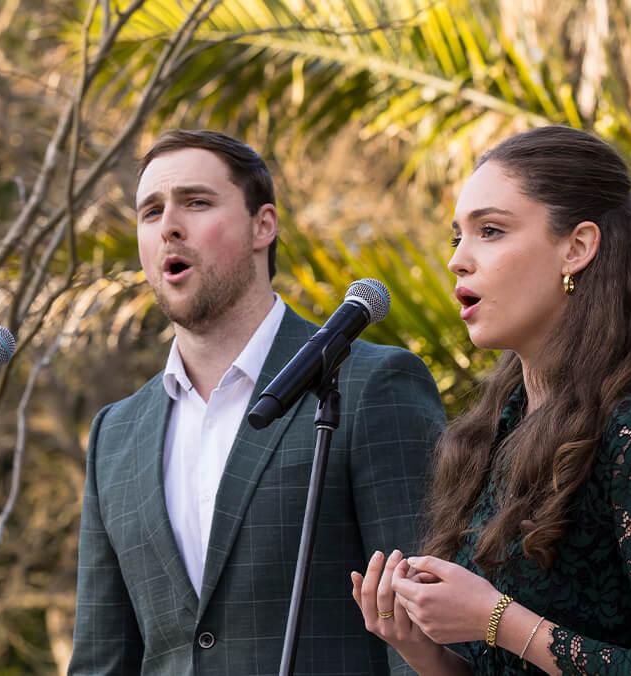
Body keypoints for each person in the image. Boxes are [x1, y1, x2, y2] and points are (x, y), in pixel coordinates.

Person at [352, 125, 631, 674]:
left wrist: (496, 619)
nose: (459, 258)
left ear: (576, 248)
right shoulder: (496, 430)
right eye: (456, 236)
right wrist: (416, 643)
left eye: (490, 230)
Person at [69, 129, 445, 675]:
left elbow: (425, 635)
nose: (169, 225)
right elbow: (101, 662)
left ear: (262, 226)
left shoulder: (371, 384)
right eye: (150, 212)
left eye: (196, 202)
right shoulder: (115, 434)